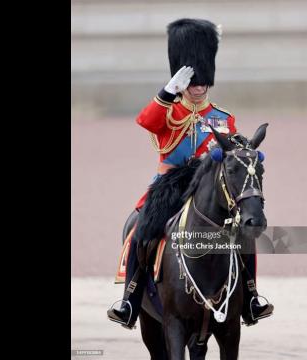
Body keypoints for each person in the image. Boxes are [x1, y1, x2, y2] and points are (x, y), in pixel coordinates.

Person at [107, 18, 273, 329]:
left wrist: (248, 153)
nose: (198, 88)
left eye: (202, 82)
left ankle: (251, 296)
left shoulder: (223, 117)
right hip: (171, 184)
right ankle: (130, 299)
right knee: (141, 230)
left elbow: (235, 149)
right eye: (193, 82)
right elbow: (146, 121)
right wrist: (169, 91)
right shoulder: (169, 111)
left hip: (210, 185)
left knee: (243, 237)